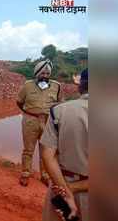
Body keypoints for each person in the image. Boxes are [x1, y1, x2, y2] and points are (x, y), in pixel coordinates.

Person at [40, 69, 88, 221]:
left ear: (80, 85)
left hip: (61, 187)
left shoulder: (59, 111)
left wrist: (67, 191)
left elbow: (47, 155)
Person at [17, 59, 63, 187]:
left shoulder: (56, 86)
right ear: (36, 73)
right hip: (30, 120)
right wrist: (29, 113)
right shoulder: (27, 85)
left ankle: (45, 175)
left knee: (46, 150)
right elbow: (19, 102)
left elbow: (59, 104)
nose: (45, 76)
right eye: (42, 73)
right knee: (28, 149)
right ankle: (26, 173)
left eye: (47, 74)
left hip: (48, 122)